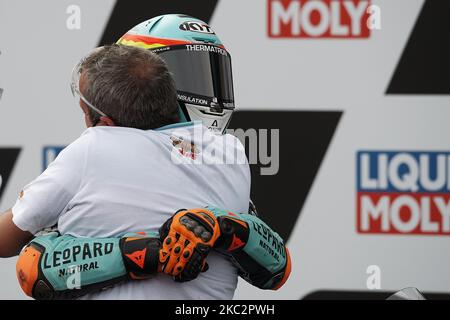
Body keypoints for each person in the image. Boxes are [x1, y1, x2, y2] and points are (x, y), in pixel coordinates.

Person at [4, 15, 292, 300]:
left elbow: (16, 249)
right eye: (191, 74)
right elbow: (276, 269)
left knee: (37, 260)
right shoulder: (231, 150)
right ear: (163, 84)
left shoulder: (94, 146)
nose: (207, 89)